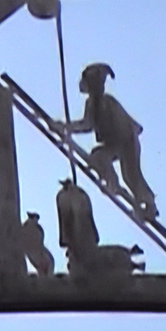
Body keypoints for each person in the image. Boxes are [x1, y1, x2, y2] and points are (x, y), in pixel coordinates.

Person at [62, 63, 157, 220]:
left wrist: (67, 128)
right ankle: (112, 181)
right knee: (98, 156)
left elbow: (93, 126)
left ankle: (148, 202)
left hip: (127, 141)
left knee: (131, 175)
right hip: (113, 144)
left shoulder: (107, 102)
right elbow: (87, 124)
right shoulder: (91, 104)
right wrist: (66, 127)